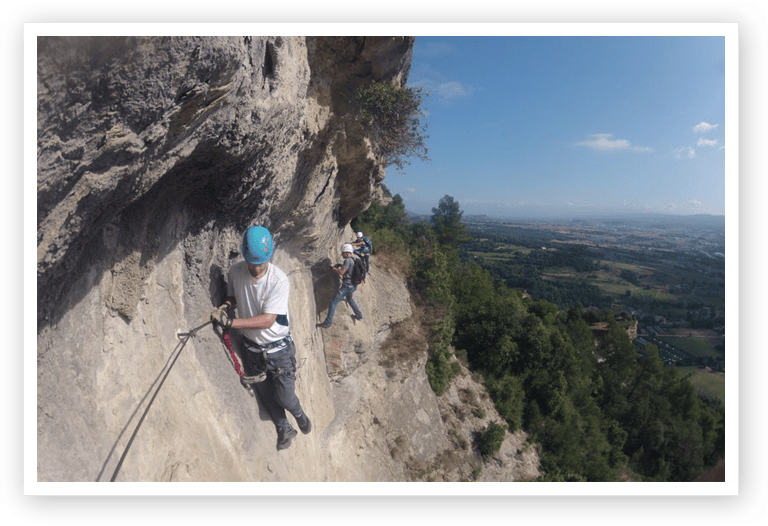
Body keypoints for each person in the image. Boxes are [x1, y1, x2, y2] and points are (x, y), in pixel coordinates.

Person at [211, 225, 311, 451]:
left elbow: (268, 320)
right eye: (250, 261)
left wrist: (231, 323)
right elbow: (233, 296)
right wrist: (225, 306)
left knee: (284, 397)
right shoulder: (237, 272)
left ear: (269, 256)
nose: (254, 267)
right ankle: (285, 428)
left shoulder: (278, 280)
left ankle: (299, 414)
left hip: (278, 350)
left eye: (259, 262)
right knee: (265, 393)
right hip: (252, 349)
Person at [317, 244, 363, 328]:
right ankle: (359, 315)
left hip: (347, 286)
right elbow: (349, 269)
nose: (342, 254)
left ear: (346, 253)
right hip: (353, 286)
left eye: (343, 253)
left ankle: (328, 322)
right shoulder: (354, 259)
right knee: (349, 299)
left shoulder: (348, 260)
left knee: (334, 301)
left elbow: (341, 272)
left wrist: (333, 268)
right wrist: (341, 266)